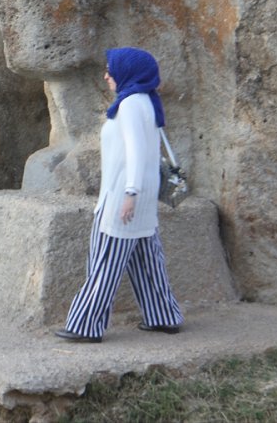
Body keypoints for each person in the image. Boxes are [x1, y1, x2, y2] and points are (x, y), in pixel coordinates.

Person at [55, 47, 183, 343]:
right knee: (147, 259)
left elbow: (136, 153)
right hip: (142, 195)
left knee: (105, 260)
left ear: (128, 73)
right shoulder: (145, 101)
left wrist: (129, 194)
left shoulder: (129, 105)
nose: (106, 76)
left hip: (125, 196)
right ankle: (163, 316)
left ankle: (84, 325)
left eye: (111, 71)